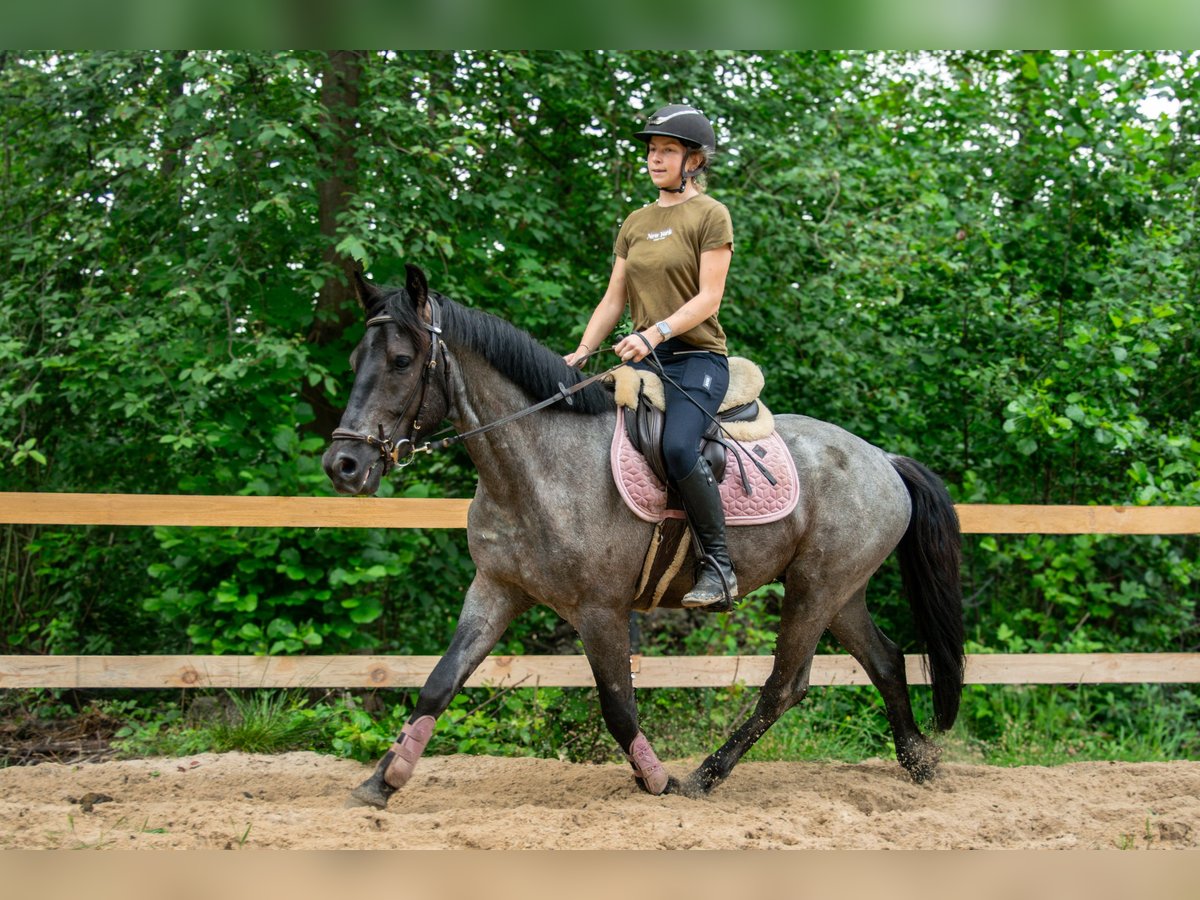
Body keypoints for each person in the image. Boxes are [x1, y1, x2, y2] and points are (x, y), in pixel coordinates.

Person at [565, 104, 737, 609]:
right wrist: (582, 351)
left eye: (667, 151)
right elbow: (613, 298)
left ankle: (720, 566)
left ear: (694, 160)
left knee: (681, 447)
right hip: (644, 358)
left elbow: (709, 298)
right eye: (651, 151)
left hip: (696, 357)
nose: (654, 159)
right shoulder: (636, 222)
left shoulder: (711, 215)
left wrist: (656, 332)